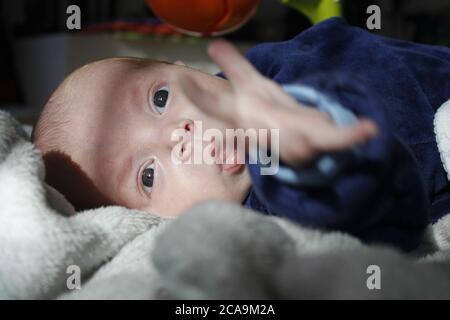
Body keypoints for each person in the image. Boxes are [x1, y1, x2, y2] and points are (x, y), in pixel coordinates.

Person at [32, 18, 450, 252]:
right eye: (147, 176)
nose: (181, 134)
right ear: (150, 223)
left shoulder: (264, 69)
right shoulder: (268, 217)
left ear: (184, 68)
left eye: (160, 99)